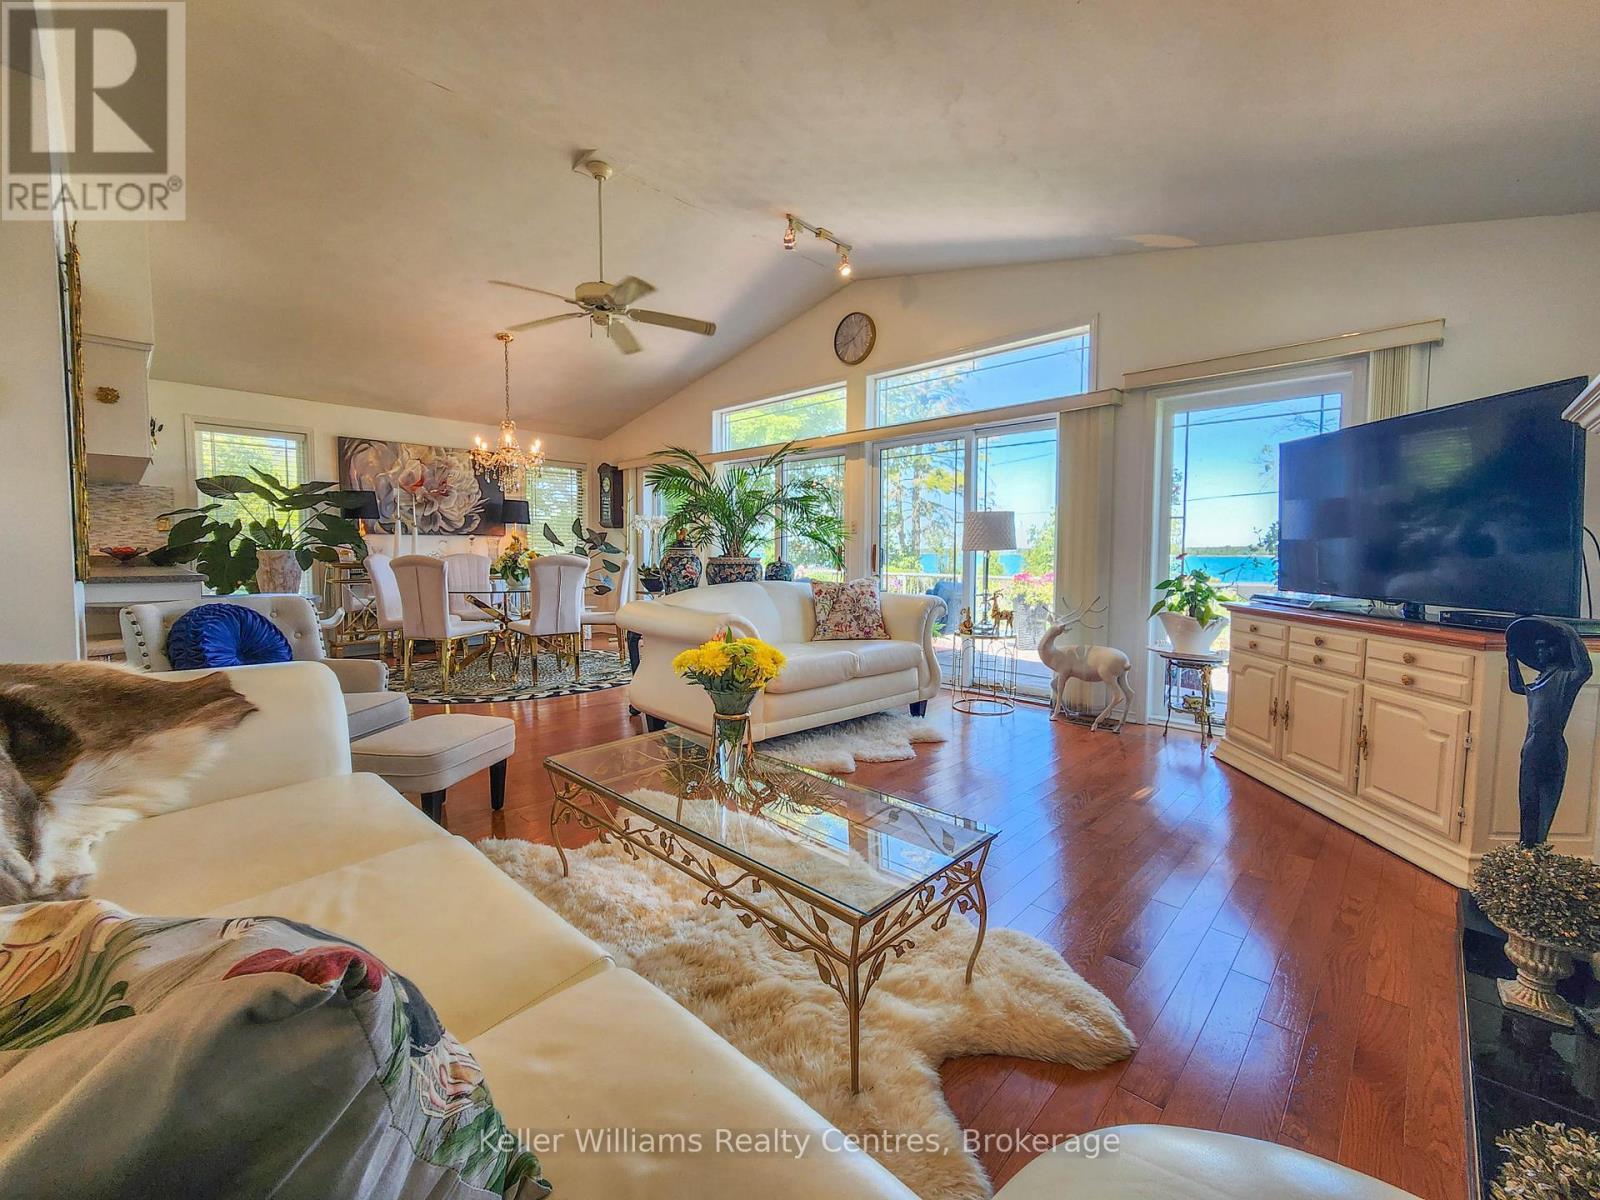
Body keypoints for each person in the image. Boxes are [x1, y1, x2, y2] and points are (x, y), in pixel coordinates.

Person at [1506, 617, 1593, 845]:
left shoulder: (1566, 678)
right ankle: (1526, 846)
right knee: (1528, 799)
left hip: (1550, 743)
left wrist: (1569, 633)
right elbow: (1516, 687)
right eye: (1538, 648)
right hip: (1531, 744)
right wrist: (1511, 659)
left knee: (1545, 799)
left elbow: (1586, 669)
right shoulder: (1537, 682)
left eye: (1545, 646)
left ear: (1556, 650)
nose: (1541, 651)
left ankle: (1537, 846)